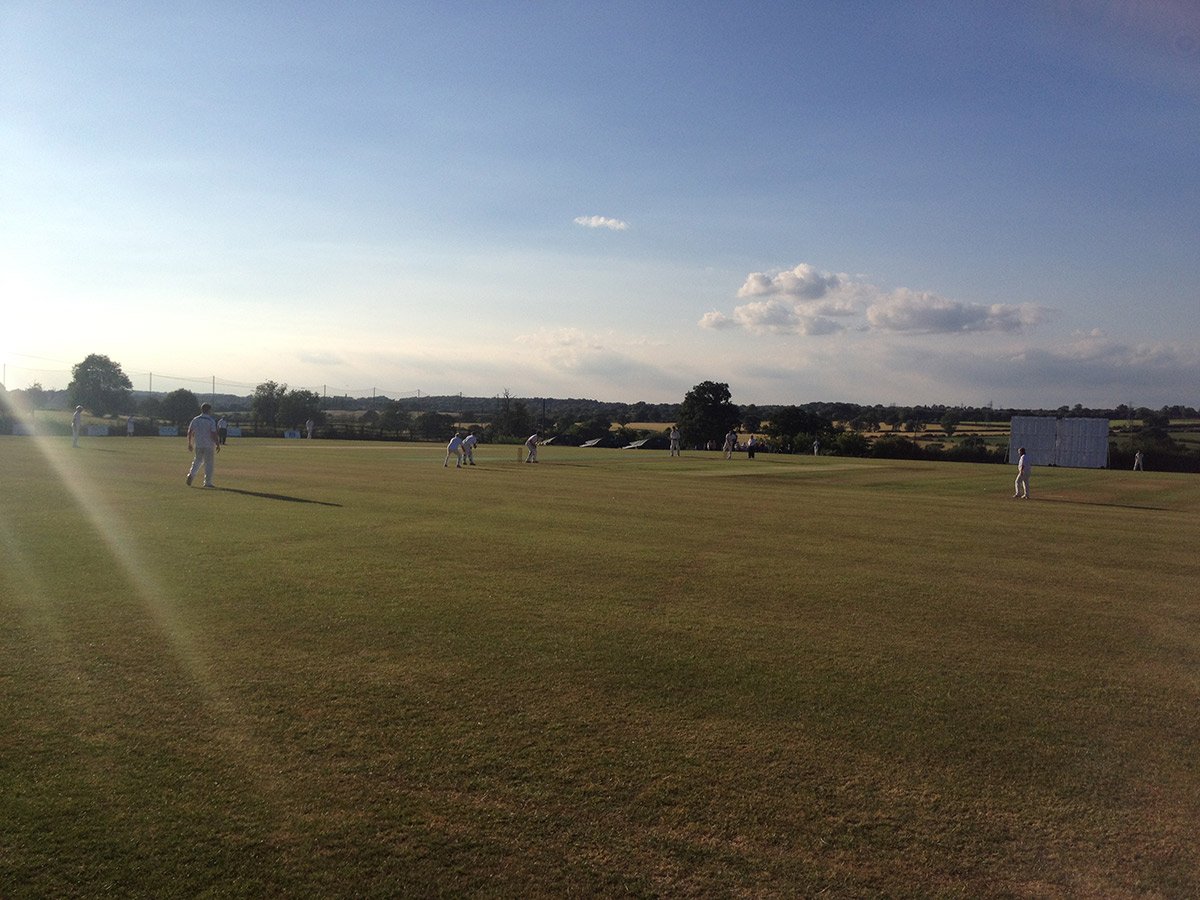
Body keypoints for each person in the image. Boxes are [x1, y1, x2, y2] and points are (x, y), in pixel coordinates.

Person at [186, 402, 221, 488]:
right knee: (209, 463)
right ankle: (207, 482)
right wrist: (217, 443)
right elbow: (213, 433)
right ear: (209, 410)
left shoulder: (195, 419)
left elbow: (190, 432)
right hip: (208, 444)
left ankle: (191, 474)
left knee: (197, 460)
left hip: (198, 444)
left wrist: (190, 443)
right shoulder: (211, 420)